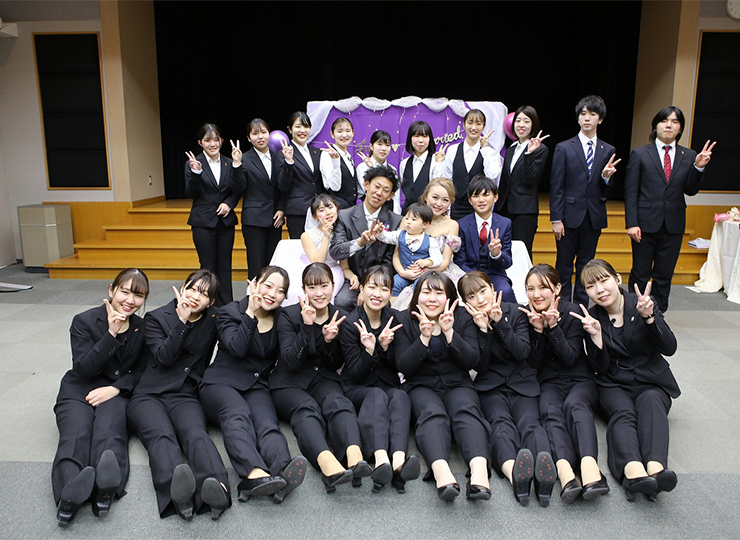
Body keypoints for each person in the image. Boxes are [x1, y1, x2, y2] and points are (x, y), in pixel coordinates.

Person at [571, 259, 680, 502]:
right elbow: (599, 367)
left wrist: (650, 318)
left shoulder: (641, 303)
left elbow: (670, 347)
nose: (599, 290)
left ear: (617, 279)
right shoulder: (592, 317)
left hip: (650, 380)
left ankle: (656, 468)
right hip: (613, 383)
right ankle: (632, 471)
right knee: (622, 413)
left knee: (652, 404)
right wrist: (596, 337)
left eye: (603, 281)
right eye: (591, 286)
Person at [127, 270, 231, 521]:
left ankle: (218, 489)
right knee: (161, 437)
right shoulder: (155, 317)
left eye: (203, 294)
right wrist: (181, 322)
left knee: (196, 434)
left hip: (185, 394)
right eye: (192, 289)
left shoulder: (213, 318)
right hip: (149, 394)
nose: (195, 297)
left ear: (211, 302)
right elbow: (163, 357)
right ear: (183, 288)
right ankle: (177, 495)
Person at [199, 266, 307, 504]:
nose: (272, 294)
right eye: (268, 286)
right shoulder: (230, 311)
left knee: (267, 423)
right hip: (221, 383)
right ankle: (253, 474)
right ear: (255, 284)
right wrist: (250, 312)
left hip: (257, 385)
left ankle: (282, 470)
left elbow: (290, 355)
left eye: (280, 291)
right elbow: (236, 349)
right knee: (237, 415)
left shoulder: (282, 318)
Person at [52, 268, 149, 526]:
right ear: (111, 291)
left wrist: (116, 389)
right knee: (76, 434)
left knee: (110, 432)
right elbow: (84, 368)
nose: (130, 300)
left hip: (115, 392)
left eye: (138, 296)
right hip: (79, 390)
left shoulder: (142, 328)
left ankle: (105, 488)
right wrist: (111, 334)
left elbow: (142, 370)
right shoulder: (84, 321)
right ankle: (69, 492)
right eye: (125, 292)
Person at [458, 271, 555, 507]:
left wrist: (500, 322)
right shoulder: (469, 320)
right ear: (465, 301)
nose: (480, 299)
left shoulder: (514, 311)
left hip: (522, 382)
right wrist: (483, 330)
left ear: (493, 289)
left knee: (530, 423)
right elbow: (479, 365)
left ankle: (543, 476)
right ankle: (514, 474)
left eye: (483, 291)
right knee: (500, 425)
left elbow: (522, 352)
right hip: (490, 385)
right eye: (472, 296)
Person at [271, 263, 370, 492]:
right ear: (304, 289)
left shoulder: (342, 317)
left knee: (339, 402)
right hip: (288, 382)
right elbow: (291, 361)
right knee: (306, 409)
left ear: (333, 286)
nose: (319, 293)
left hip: (323, 378)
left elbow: (335, 364)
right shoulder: (289, 315)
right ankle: (328, 465)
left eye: (324, 286)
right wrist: (307, 327)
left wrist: (328, 342)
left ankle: (355, 458)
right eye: (312, 287)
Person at [395, 271, 492, 502]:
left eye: (439, 293)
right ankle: (442, 473)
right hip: (420, 384)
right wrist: (424, 338)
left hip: (457, 382)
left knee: (467, 411)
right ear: (416, 296)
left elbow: (473, 361)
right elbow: (403, 366)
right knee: (431, 414)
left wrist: (449, 333)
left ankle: (479, 473)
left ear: (449, 297)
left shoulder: (462, 317)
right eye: (426, 292)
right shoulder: (403, 319)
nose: (432, 299)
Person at [520, 264, 609, 504]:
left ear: (557, 288)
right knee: (550, 411)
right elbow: (532, 361)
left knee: (575, 405)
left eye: (543, 288)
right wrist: (538, 331)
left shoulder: (572, 312)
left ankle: (590, 470)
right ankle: (565, 472)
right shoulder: (527, 314)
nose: (536, 294)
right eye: (530, 289)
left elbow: (570, 357)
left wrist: (554, 326)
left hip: (579, 378)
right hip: (549, 381)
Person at [625, 106, 716, 312]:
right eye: (664, 121)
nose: (669, 125)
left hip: (673, 224)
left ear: (680, 128)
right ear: (655, 126)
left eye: (675, 122)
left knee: (664, 274)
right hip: (644, 224)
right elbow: (631, 192)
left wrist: (699, 167)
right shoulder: (640, 154)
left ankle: (658, 315)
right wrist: (632, 223)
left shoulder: (689, 155)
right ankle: (634, 312)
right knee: (640, 272)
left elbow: (690, 190)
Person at [338, 265, 420, 493]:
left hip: (387, 383)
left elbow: (399, 366)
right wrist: (370, 351)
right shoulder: (350, 323)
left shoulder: (396, 319)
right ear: (362, 289)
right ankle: (381, 459)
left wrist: (384, 348)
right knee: (376, 395)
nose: (377, 294)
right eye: (372, 287)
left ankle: (398, 462)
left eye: (384, 289)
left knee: (400, 397)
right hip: (358, 387)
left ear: (390, 293)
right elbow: (355, 372)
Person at [549, 95, 620, 306]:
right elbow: (556, 185)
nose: (587, 118)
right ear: (578, 118)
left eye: (592, 114)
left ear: (600, 119)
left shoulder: (608, 150)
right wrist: (556, 218)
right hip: (568, 216)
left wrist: (606, 177)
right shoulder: (564, 147)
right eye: (583, 114)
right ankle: (562, 307)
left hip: (593, 216)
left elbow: (607, 187)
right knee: (563, 265)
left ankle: (581, 308)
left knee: (586, 266)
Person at [329, 166, 402, 311]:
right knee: (343, 301)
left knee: (385, 304)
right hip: (352, 278)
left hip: (379, 280)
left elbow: (389, 262)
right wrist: (359, 243)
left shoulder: (396, 221)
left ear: (391, 195)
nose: (379, 193)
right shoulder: (344, 215)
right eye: (376, 186)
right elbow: (336, 251)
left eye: (386, 190)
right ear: (366, 185)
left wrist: (370, 287)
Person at [184, 123, 242, 306]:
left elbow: (237, 190)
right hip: (203, 223)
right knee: (207, 267)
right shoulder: (193, 163)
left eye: (216, 140)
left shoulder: (229, 162)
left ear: (221, 141)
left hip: (225, 223)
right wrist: (196, 172)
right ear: (200, 142)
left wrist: (228, 204)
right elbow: (191, 193)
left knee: (225, 267)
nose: (212, 144)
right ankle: (207, 306)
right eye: (207, 140)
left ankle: (226, 307)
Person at [392, 177, 465, 310]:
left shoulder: (451, 225)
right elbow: (396, 254)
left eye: (445, 200)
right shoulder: (409, 219)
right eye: (435, 197)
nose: (439, 204)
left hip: (439, 271)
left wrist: (425, 272)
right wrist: (403, 273)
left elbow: (445, 261)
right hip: (407, 270)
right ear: (426, 196)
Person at [233, 118, 286, 280]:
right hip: (254, 220)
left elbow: (284, 186)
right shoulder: (244, 159)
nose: (260, 136)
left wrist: (281, 208)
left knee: (272, 265)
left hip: (275, 219)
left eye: (263, 132)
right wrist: (236, 164)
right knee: (256, 265)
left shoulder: (279, 156)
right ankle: (253, 294)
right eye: (255, 133)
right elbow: (238, 188)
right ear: (249, 138)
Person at [494, 106, 549, 260]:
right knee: (504, 251)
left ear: (533, 124)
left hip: (524, 211)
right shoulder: (511, 150)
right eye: (518, 121)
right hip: (504, 209)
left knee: (521, 253)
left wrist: (529, 154)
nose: (521, 125)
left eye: (526, 121)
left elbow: (530, 180)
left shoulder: (540, 149)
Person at [455, 175, 515, 303]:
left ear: (495, 197)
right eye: (476, 196)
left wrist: (496, 254)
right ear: (470, 200)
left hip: (495, 274)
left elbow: (507, 262)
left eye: (486, 195)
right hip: (470, 275)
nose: (481, 200)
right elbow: (460, 260)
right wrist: (474, 278)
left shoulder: (505, 223)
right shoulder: (461, 225)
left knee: (505, 291)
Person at [441, 108, 502, 220]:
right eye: (470, 123)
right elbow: (447, 179)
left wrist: (485, 149)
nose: (474, 127)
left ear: (483, 126)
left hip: (480, 207)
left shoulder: (489, 152)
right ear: (464, 125)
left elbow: (492, 175)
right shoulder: (453, 150)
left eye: (478, 123)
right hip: (457, 207)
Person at [296, 194, 355, 305]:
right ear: (314, 216)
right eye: (322, 210)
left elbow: (345, 267)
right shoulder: (306, 236)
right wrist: (326, 237)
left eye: (330, 207)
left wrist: (352, 276)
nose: (328, 212)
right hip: (313, 271)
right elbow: (318, 263)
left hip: (334, 272)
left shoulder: (342, 234)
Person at [376, 203, 443, 296]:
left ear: (425, 224)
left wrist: (428, 262)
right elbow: (386, 237)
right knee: (394, 284)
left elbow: (438, 258)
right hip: (405, 273)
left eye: (413, 219)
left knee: (422, 287)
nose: (408, 222)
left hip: (421, 275)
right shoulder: (399, 235)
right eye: (407, 218)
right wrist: (380, 232)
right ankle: (393, 303)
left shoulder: (430, 241)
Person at [277, 111, 324, 239]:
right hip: (297, 212)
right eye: (298, 126)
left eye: (306, 126)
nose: (302, 130)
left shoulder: (317, 152)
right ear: (290, 130)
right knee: (299, 247)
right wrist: (288, 161)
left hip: (318, 210)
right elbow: (283, 185)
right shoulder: (283, 153)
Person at [396, 121, 445, 215]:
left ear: (430, 139)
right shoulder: (404, 163)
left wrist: (439, 163)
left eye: (425, 136)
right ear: (410, 138)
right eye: (416, 136)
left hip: (427, 214)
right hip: (407, 214)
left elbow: (437, 188)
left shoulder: (436, 161)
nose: (421, 140)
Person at [320, 117, 358, 209]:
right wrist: (335, 161)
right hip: (336, 209)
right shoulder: (327, 155)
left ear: (353, 133)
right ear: (332, 134)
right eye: (340, 131)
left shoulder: (348, 156)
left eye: (348, 131)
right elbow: (334, 187)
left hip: (351, 208)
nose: (344, 135)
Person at [355, 130, 398, 202]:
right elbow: (370, 191)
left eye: (387, 145)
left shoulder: (392, 170)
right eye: (380, 144)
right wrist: (371, 168)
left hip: (388, 207)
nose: (384, 149)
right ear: (371, 146)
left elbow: (395, 198)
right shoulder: (363, 167)